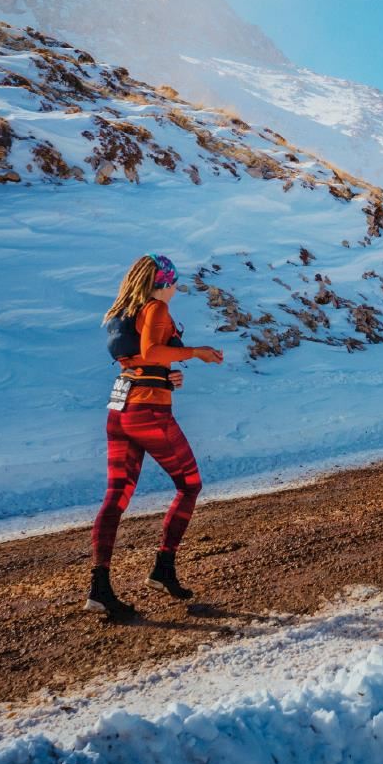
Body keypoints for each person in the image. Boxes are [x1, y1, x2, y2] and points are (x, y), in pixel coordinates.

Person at [86, 253, 223, 619]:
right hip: (148, 412)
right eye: (175, 282)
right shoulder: (156, 309)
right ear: (164, 282)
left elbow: (139, 360)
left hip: (120, 406)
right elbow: (152, 351)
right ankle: (163, 567)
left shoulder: (125, 312)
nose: (177, 288)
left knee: (116, 496)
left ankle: (100, 587)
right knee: (189, 484)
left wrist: (168, 374)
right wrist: (196, 353)